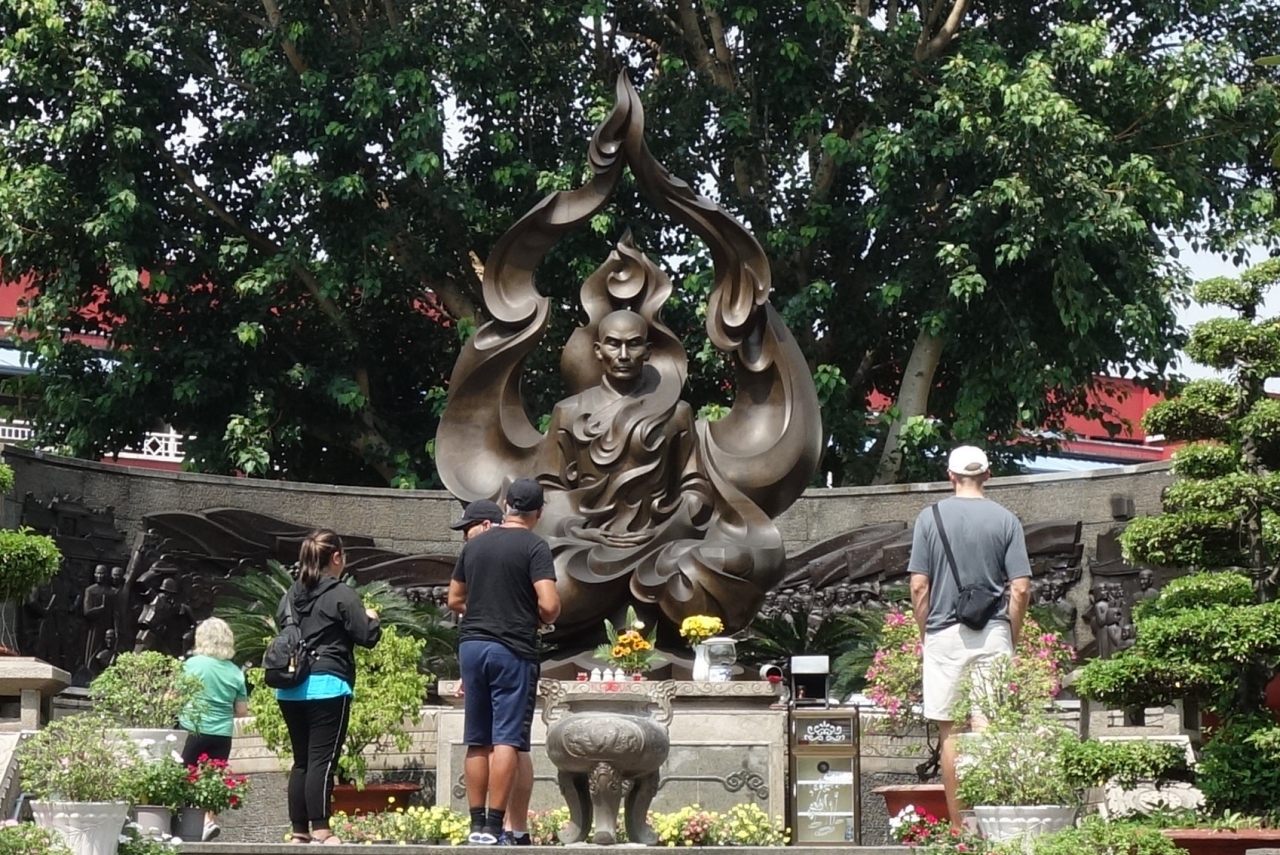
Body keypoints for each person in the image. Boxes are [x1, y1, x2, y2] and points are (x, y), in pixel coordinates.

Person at [908, 446, 1032, 826]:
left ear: (950, 476)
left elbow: (919, 586)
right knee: (988, 726)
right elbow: (1021, 588)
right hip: (993, 633)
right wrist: (1010, 634)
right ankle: (993, 827)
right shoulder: (1007, 520)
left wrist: (927, 633)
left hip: (943, 633)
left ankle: (960, 829)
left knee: (951, 731)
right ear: (988, 475)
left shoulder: (929, 518)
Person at [448, 480, 560, 845]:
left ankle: (475, 824)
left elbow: (454, 598)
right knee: (507, 738)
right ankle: (497, 827)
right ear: (539, 512)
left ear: (507, 504)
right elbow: (549, 604)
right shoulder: (534, 546)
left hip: (472, 646)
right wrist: (534, 616)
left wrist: (483, 609)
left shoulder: (475, 545)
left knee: (476, 738)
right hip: (511, 648)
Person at [275, 529, 381, 845]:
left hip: (289, 687)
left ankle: (299, 830)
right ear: (336, 557)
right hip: (328, 685)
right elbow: (366, 636)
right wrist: (372, 618)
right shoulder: (341, 594)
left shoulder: (290, 595)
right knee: (322, 759)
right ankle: (322, 828)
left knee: (302, 761)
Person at [179, 617, 249, 842]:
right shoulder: (235, 671)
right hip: (222, 733)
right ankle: (209, 821)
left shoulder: (192, 665)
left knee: (185, 775)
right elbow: (242, 711)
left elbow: (173, 695)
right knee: (215, 779)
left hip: (193, 728)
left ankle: (184, 821)